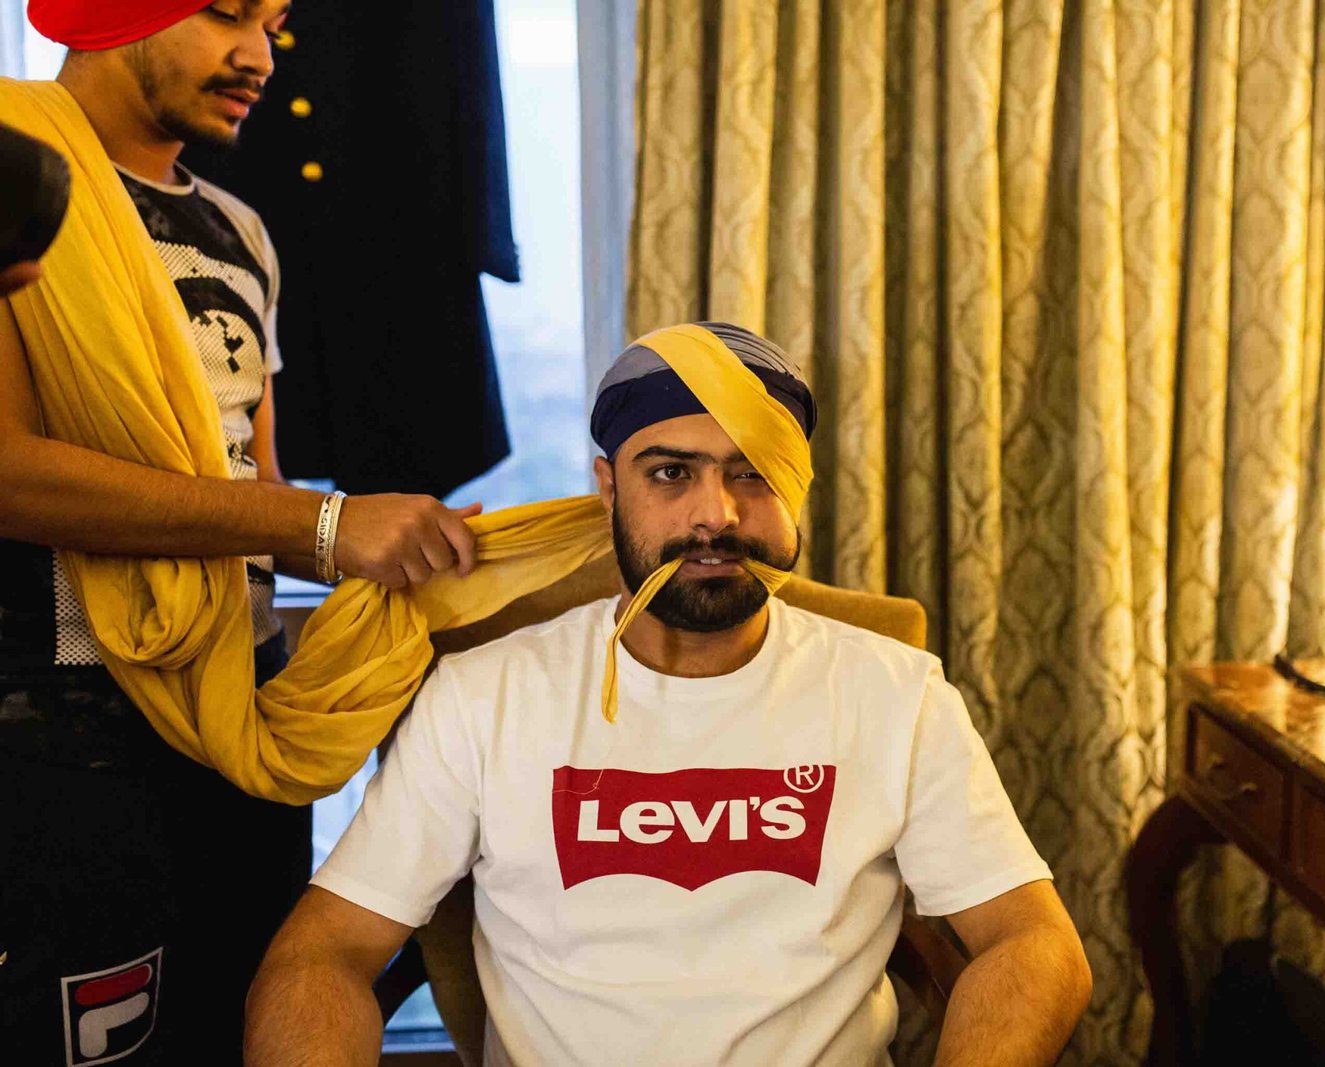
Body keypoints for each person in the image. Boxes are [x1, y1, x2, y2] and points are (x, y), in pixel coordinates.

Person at [245, 323, 1093, 1067]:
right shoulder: (484, 696)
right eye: (671, 473)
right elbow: (325, 954)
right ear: (609, 486)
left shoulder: (897, 694)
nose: (714, 513)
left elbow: (1032, 939)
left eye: (753, 474)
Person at [0, 3, 481, 1062]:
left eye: (273, 22)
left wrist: (411, 552)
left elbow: (250, 488)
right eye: (227, 13)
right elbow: (9, 471)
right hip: (61, 722)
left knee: (240, 1025)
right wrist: (325, 523)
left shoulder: (241, 229)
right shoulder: (14, 182)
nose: (260, 55)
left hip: (231, 717)